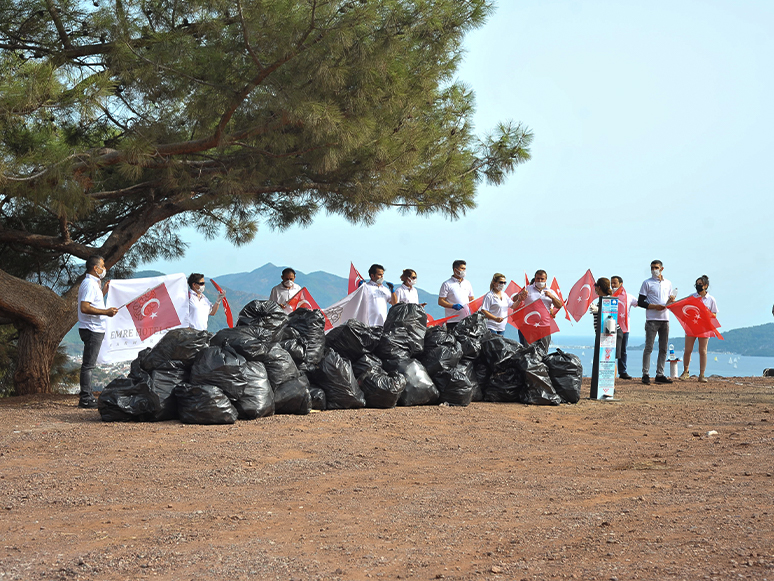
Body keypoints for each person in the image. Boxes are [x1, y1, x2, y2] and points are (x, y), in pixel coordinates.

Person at [76, 255, 119, 408]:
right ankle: (86, 398)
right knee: (88, 365)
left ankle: (87, 395)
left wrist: (104, 292)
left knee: (89, 364)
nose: (104, 269)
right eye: (103, 266)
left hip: (95, 328)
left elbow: (94, 302)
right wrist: (106, 312)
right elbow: (85, 307)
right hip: (92, 328)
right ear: (96, 268)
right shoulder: (88, 284)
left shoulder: (94, 284)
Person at [637, 260, 676, 385]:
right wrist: (654, 306)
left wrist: (671, 300)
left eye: (656, 267)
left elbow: (670, 302)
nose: (654, 270)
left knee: (663, 348)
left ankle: (660, 374)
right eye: (652, 268)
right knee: (649, 347)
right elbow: (641, 301)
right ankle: (645, 374)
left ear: (662, 269)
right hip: (652, 319)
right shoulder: (647, 283)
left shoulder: (668, 283)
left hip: (665, 319)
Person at [680, 275, 718, 383]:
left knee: (703, 351)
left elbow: (714, 314)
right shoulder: (692, 297)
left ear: (706, 286)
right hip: (692, 327)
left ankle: (702, 374)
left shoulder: (711, 299)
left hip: (704, 328)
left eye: (700, 284)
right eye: (697, 284)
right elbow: (685, 309)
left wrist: (706, 312)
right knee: (688, 350)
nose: (698, 286)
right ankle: (686, 372)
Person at [511, 269, 563, 347]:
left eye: (542, 279)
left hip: (544, 327)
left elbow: (559, 305)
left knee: (543, 352)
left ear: (546, 279)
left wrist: (552, 297)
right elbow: (514, 299)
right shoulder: (528, 288)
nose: (540, 280)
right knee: (528, 352)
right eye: (538, 278)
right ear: (535, 278)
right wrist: (520, 296)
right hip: (529, 326)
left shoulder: (551, 291)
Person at [611, 275, 639, 380]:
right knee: (610, 349)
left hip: (624, 328)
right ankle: (610, 371)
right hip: (610, 327)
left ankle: (622, 371)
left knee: (622, 350)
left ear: (621, 284)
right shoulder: (609, 296)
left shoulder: (629, 296)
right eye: (611, 283)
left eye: (615, 283)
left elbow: (639, 303)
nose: (613, 285)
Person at [437, 260, 475, 331]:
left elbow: (471, 299)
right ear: (455, 270)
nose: (464, 271)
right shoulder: (447, 284)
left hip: (466, 320)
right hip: (453, 320)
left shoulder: (467, 283)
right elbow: (441, 301)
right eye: (462, 268)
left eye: (465, 269)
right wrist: (453, 306)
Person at [590, 277, 623, 356]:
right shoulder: (601, 300)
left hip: (611, 334)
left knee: (610, 359)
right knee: (603, 359)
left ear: (599, 288)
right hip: (602, 334)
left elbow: (610, 313)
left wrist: (598, 310)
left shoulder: (609, 300)